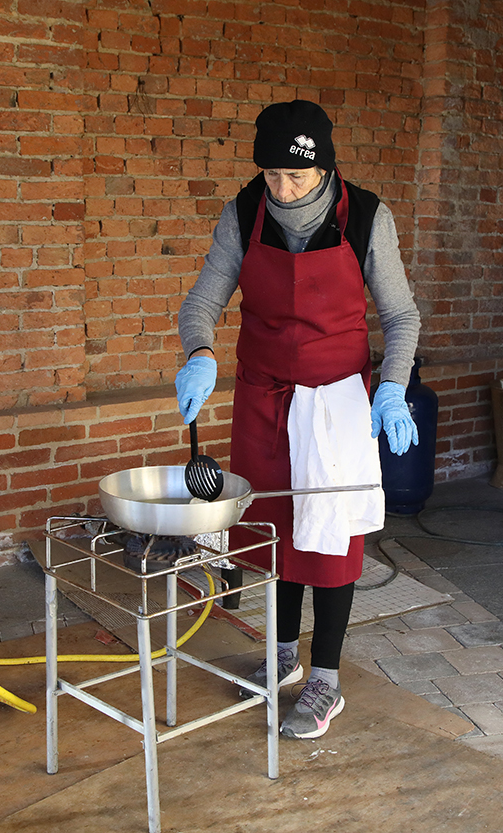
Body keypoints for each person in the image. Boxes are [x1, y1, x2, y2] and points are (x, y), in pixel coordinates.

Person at [174, 99, 421, 739]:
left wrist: (391, 388)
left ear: (325, 169)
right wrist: (199, 354)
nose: (282, 189)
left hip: (337, 401)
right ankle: (282, 654)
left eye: (297, 177)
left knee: (331, 540)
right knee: (276, 533)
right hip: (263, 398)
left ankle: (326, 680)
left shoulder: (366, 216)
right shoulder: (245, 211)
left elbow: (401, 317)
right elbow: (203, 300)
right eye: (273, 174)